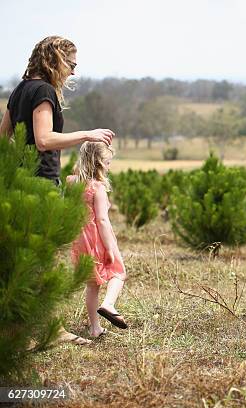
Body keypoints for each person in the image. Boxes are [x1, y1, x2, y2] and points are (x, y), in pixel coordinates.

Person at [0, 36, 115, 345]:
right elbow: (44, 140)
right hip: (41, 184)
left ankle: (19, 331)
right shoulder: (43, 91)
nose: (73, 73)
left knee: (24, 261)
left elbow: (4, 138)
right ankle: (54, 332)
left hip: (21, 183)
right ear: (55, 61)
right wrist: (87, 134)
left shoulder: (19, 91)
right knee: (43, 262)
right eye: (72, 65)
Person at [67, 142, 128, 337]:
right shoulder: (97, 188)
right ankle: (109, 304)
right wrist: (110, 247)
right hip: (97, 238)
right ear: (99, 163)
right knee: (118, 272)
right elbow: (102, 220)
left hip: (79, 238)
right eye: (107, 163)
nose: (109, 166)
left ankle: (95, 328)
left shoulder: (71, 182)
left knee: (92, 284)